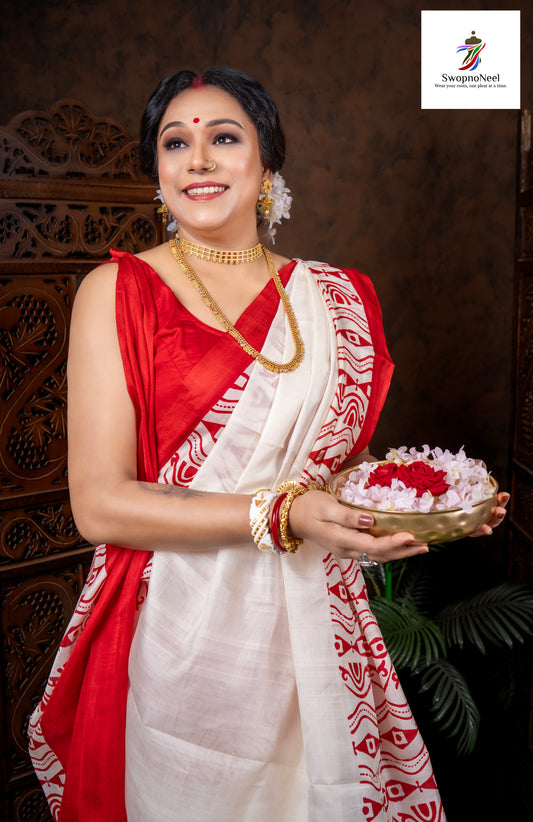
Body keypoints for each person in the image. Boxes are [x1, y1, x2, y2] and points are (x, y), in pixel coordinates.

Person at [28, 67, 507, 822]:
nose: (198, 160)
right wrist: (286, 517)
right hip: (181, 632)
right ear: (157, 171)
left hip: (315, 624)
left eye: (224, 137)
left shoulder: (339, 296)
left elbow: (328, 470)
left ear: (266, 164)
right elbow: (100, 504)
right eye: (174, 142)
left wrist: (416, 507)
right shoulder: (116, 293)